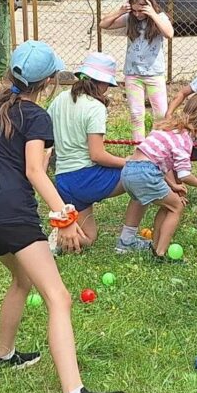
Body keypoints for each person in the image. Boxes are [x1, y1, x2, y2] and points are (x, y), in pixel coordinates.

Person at [0, 41, 128, 393]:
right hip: (13, 213)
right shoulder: (37, 116)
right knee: (59, 298)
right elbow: (35, 171)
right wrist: (65, 216)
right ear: (47, 81)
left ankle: (4, 356)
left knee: (21, 280)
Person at [119, 94, 197, 259]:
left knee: (168, 205)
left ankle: (153, 245)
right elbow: (184, 174)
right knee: (177, 206)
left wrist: (173, 186)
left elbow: (158, 162)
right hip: (145, 173)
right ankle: (160, 253)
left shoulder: (169, 128)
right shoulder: (184, 138)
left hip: (129, 169)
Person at [47, 53, 130, 252]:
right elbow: (97, 155)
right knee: (138, 174)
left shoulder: (60, 99)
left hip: (63, 180)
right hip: (87, 178)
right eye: (108, 85)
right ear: (102, 83)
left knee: (88, 238)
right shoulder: (95, 107)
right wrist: (128, 162)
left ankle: (57, 240)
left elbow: (47, 136)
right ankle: (130, 236)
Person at [98, 0, 174, 142]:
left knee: (160, 113)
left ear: (149, 6)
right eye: (134, 10)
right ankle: (138, 146)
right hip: (133, 74)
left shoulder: (159, 17)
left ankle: (156, 144)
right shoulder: (129, 19)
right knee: (136, 113)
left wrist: (152, 14)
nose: (138, 14)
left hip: (154, 73)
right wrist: (119, 12)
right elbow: (103, 24)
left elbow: (169, 33)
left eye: (141, 10)